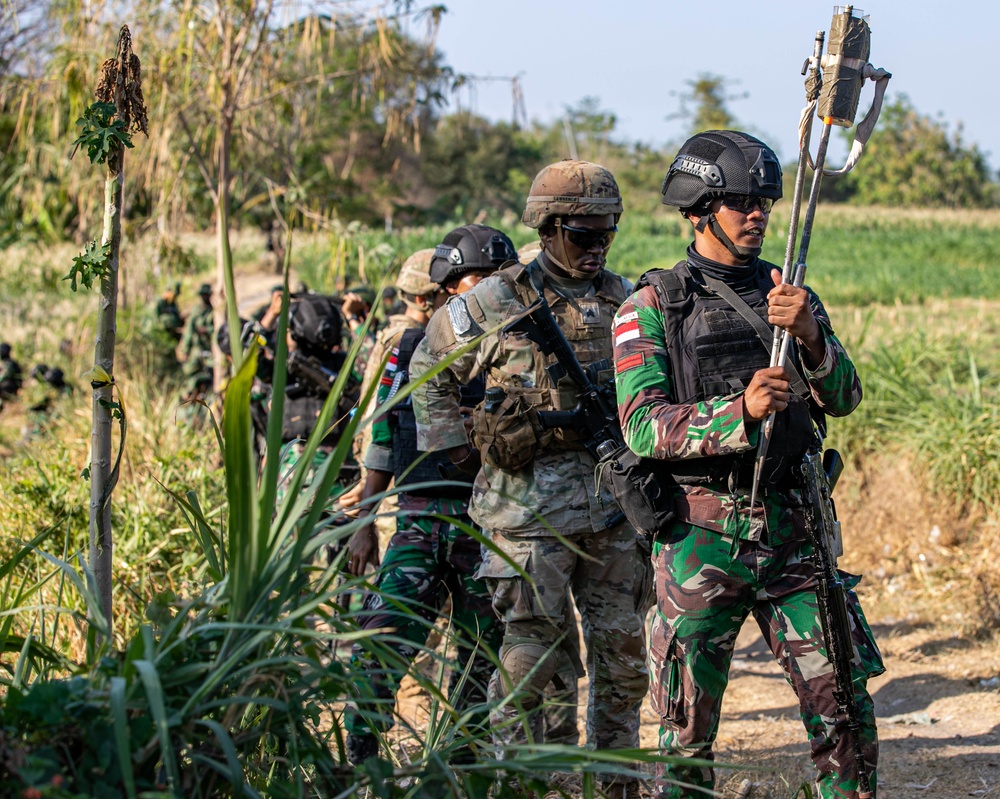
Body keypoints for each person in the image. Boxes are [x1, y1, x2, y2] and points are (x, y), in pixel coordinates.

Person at [613, 130, 883, 799]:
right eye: (738, 200)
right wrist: (741, 412)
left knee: (843, 709)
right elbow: (643, 425)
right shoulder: (651, 305)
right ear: (699, 208)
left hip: (795, 528)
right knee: (683, 733)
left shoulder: (789, 293)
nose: (757, 213)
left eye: (763, 199)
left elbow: (845, 396)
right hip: (700, 536)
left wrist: (812, 336)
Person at [409, 161, 648, 798]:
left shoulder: (626, 300)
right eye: (582, 234)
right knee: (531, 666)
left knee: (624, 666)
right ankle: (524, 786)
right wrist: (456, 451)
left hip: (612, 510)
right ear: (546, 228)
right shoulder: (497, 299)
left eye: (608, 232)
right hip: (526, 517)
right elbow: (428, 369)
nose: (597, 247)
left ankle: (614, 786)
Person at [341, 225, 515, 766]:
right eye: (476, 281)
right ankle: (359, 758)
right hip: (419, 518)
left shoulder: (520, 354)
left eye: (498, 280)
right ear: (448, 289)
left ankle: (461, 768)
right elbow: (386, 433)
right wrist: (365, 519)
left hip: (487, 524)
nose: (489, 291)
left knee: (479, 658)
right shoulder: (416, 346)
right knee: (380, 640)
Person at [177, 283, 215, 401]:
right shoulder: (196, 311)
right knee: (190, 371)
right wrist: (185, 350)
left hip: (211, 349)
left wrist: (207, 330)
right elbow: (189, 332)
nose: (205, 297)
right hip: (198, 348)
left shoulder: (214, 311)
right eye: (203, 295)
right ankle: (187, 396)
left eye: (207, 295)